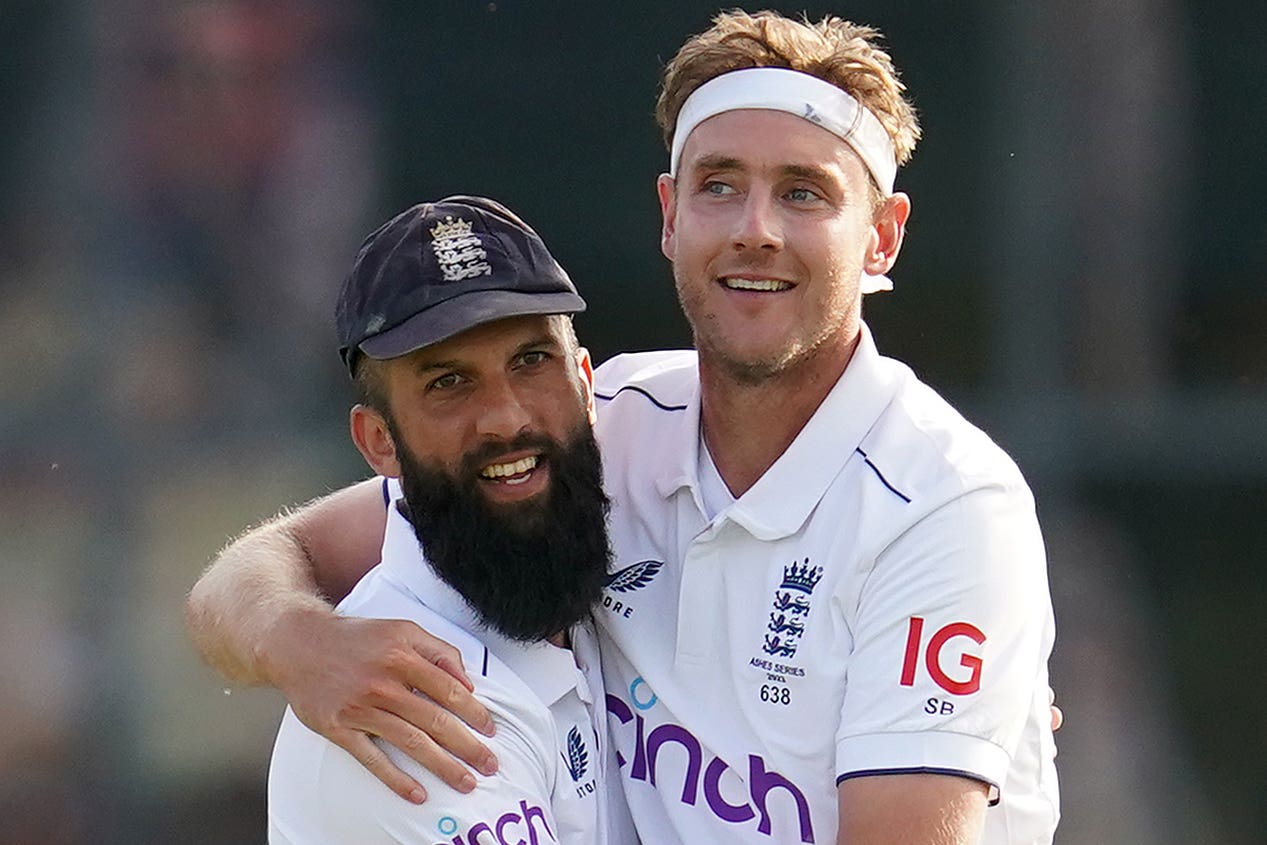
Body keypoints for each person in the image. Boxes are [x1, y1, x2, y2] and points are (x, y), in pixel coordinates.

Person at [187, 10, 1059, 845]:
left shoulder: (944, 506)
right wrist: (306, 645)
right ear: (670, 215)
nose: (755, 230)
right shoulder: (605, 423)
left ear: (881, 237)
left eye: (803, 193)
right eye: (719, 185)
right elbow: (257, 567)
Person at [264, 195, 635, 844]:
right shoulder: (403, 712)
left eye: (530, 360)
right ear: (378, 441)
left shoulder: (627, 523)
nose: (506, 417)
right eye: (448, 382)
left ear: (584, 380)